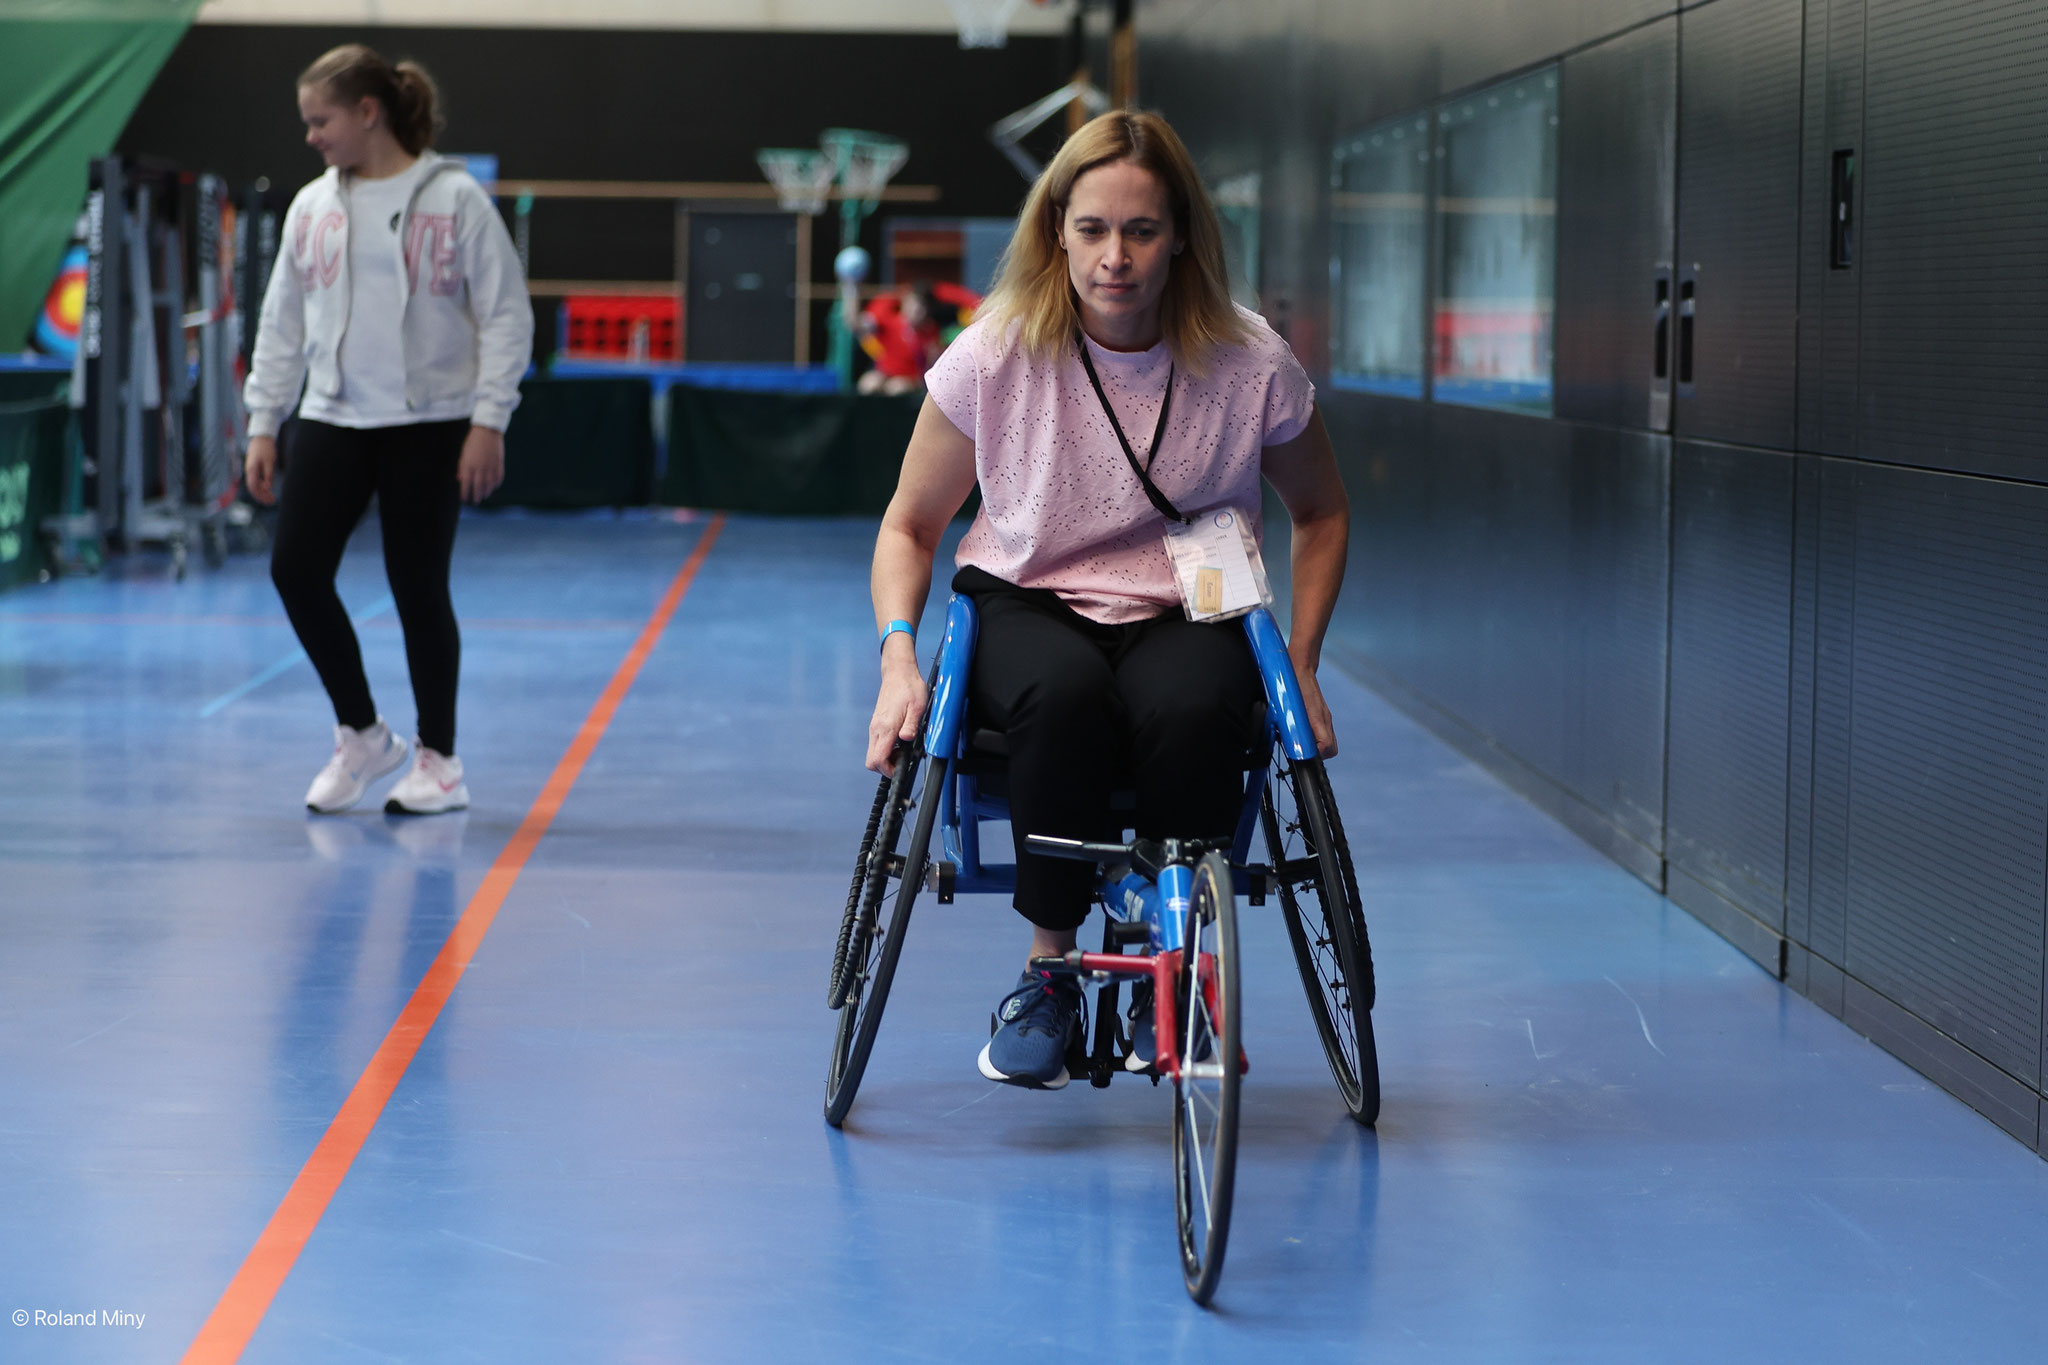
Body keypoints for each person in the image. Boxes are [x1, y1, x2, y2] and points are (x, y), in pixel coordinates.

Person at [865, 110, 1350, 1089]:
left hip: (1186, 603)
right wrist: (898, 660)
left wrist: (1299, 664)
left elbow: (1322, 510)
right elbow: (908, 527)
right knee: (1064, 697)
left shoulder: (1247, 360)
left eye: (1139, 230)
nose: (1114, 257)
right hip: (1029, 596)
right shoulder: (996, 353)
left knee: (1194, 706)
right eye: (1090, 229)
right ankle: (1050, 971)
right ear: (1057, 230)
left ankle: (1171, 968)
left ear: (1181, 236)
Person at [242, 44, 532, 816]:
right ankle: (363, 734)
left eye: (321, 120)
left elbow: (507, 315)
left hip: (429, 423)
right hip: (333, 417)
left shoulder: (455, 198)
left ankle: (440, 761)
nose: (310, 136)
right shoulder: (312, 207)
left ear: (368, 113)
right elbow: (282, 321)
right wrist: (264, 420)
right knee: (296, 569)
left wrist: (489, 419)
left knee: (418, 586)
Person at [856, 281, 982, 395]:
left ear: (926, 310)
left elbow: (931, 365)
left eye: (919, 308)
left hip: (910, 380)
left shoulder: (931, 332)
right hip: (885, 373)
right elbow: (858, 324)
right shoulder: (889, 322)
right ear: (904, 305)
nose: (915, 311)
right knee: (869, 383)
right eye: (911, 306)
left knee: (896, 387)